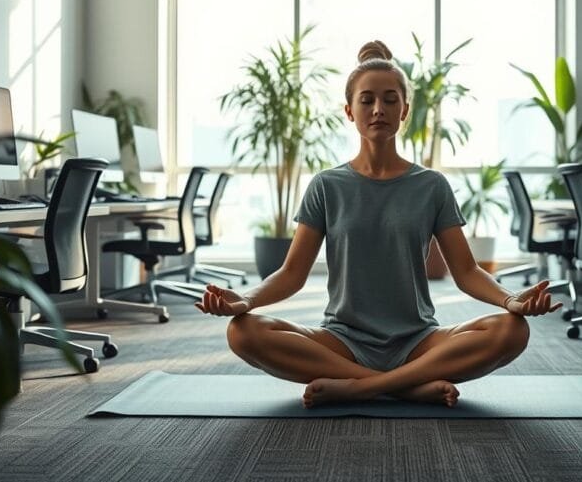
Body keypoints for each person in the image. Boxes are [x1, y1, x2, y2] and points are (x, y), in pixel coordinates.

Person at [195, 40, 562, 408]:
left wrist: (510, 299)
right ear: (349, 111)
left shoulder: (432, 185)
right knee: (243, 332)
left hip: (419, 341)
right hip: (341, 341)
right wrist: (245, 300)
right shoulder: (326, 186)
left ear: (404, 110)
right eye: (367, 100)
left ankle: (357, 387)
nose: (378, 109)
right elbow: (292, 273)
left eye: (389, 100)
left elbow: (466, 271)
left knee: (512, 330)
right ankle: (404, 387)